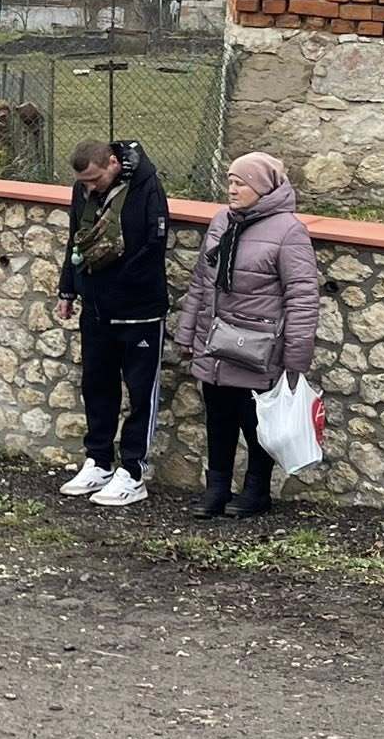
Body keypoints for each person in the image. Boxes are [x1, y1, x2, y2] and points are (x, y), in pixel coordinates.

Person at [175, 153, 320, 518]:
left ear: (261, 187)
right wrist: (187, 334)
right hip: (216, 344)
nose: (232, 189)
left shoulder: (288, 231)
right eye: (230, 181)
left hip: (258, 348)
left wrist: (295, 357)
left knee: (256, 424)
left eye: (240, 183)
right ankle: (217, 489)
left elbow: (302, 297)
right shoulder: (222, 221)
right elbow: (201, 282)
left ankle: (256, 492)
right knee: (218, 419)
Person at [56, 139, 173, 510]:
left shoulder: (147, 188)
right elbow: (75, 240)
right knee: (96, 385)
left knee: (140, 391)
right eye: (83, 183)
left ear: (112, 163)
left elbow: (153, 246)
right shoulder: (83, 189)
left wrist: (120, 286)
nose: (90, 187)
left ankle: (134, 471)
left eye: (95, 179)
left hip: (139, 310)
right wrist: (68, 289)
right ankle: (99, 461)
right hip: (96, 309)